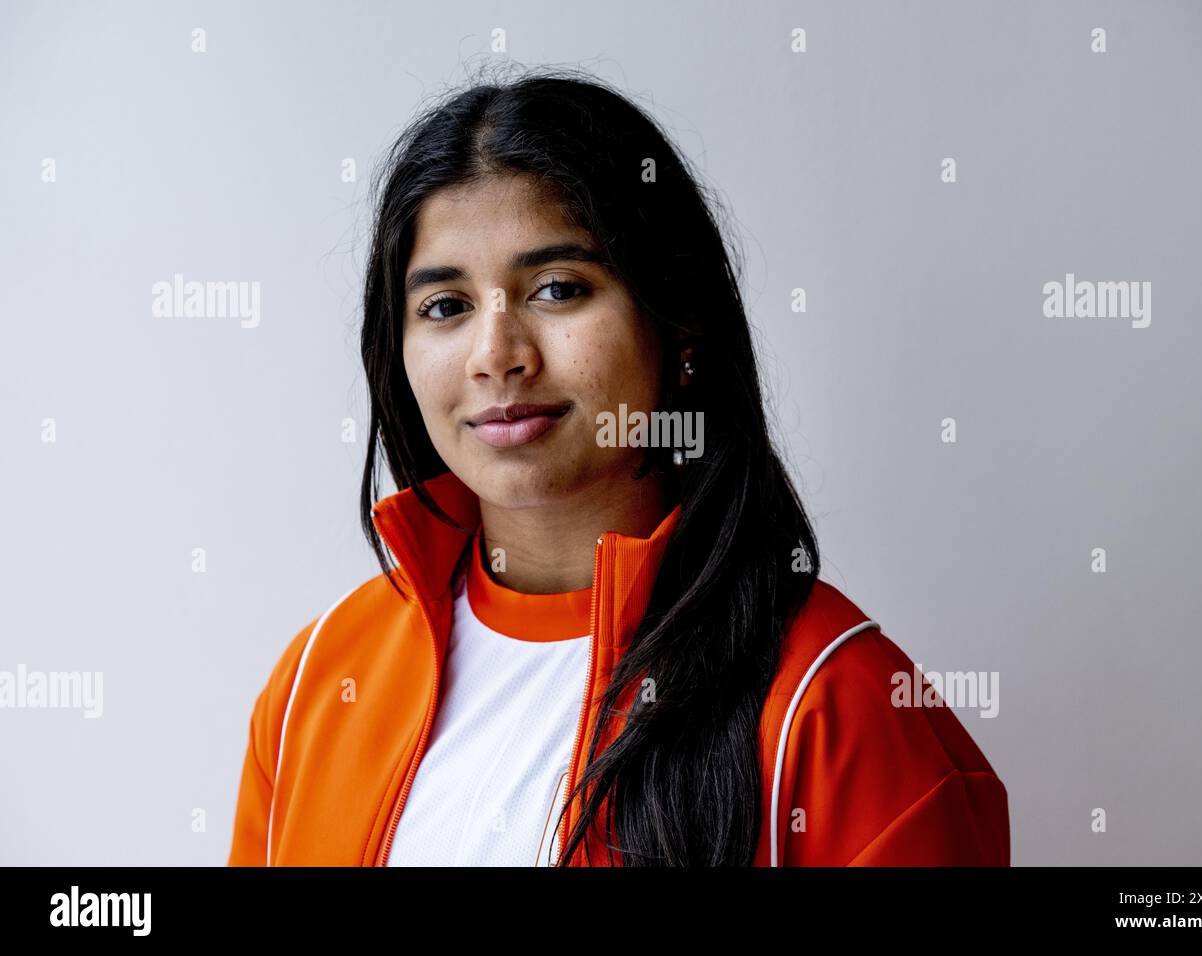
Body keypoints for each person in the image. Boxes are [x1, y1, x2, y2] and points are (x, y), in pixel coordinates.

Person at [227, 67, 1010, 867]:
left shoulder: (837, 704)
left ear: (682, 327)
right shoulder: (316, 685)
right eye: (445, 306)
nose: (496, 356)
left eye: (558, 288)